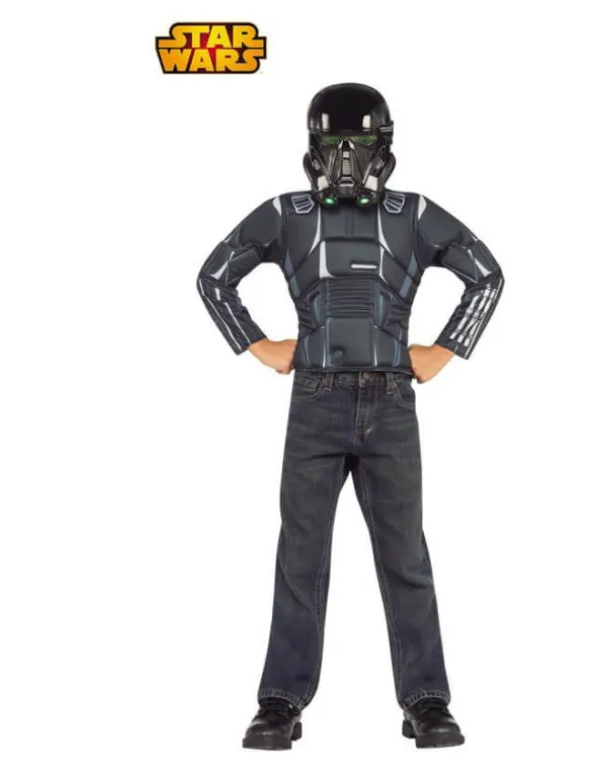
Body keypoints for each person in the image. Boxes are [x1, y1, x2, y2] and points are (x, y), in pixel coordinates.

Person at [197, 82, 504, 750]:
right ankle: (280, 701)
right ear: (313, 147)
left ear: (381, 146)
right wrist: (256, 344)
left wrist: (447, 349)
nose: (345, 157)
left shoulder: (413, 215)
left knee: (404, 554)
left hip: (391, 401)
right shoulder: (286, 214)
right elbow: (213, 277)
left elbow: (487, 275)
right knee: (300, 555)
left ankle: (426, 700)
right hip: (315, 398)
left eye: (358, 142)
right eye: (333, 142)